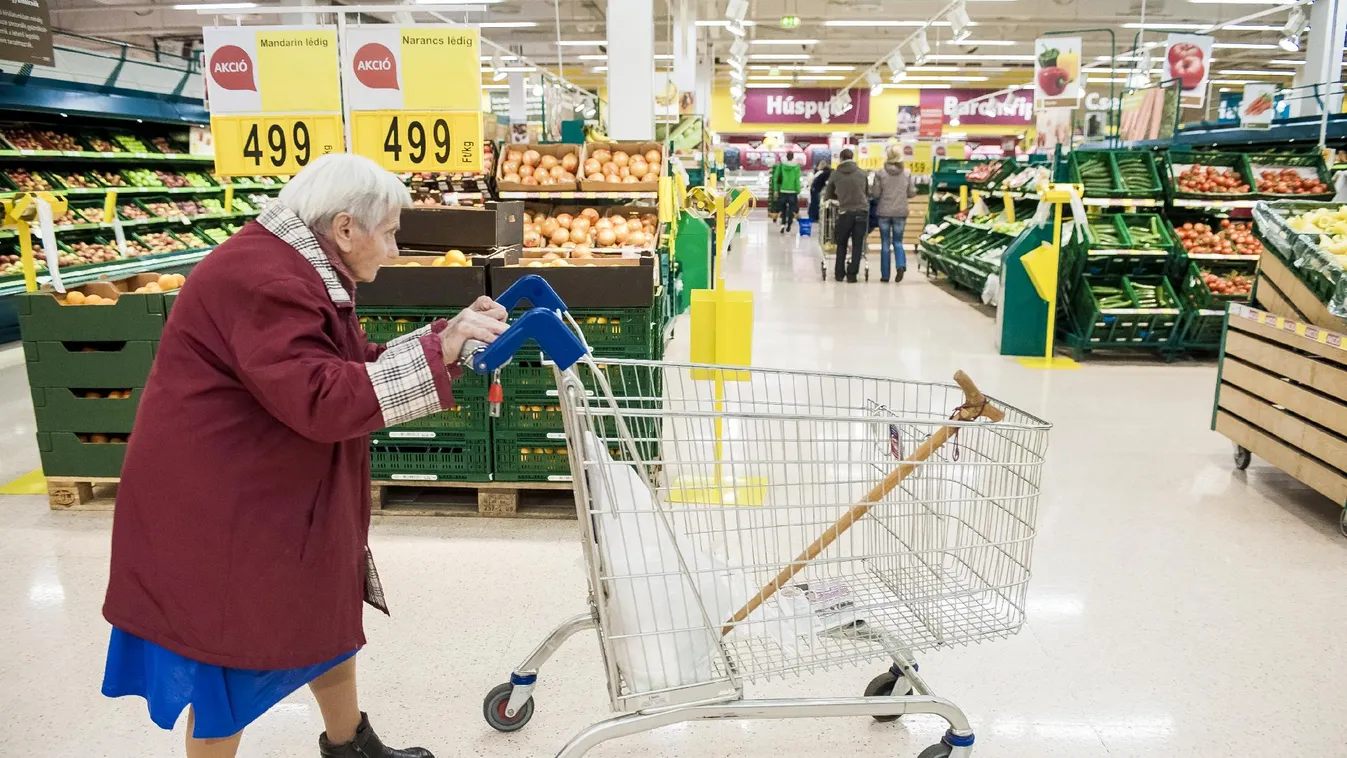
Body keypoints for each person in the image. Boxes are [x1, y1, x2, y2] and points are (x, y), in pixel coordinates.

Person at [100, 153, 510, 758]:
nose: (395, 250)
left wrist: (441, 340)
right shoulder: (267, 281)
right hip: (224, 508)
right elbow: (319, 396)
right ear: (345, 228)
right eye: (391, 232)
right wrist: (437, 354)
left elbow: (342, 361)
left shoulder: (292, 264)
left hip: (267, 485)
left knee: (325, 618)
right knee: (231, 660)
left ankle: (349, 744)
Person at [821, 147, 870, 282]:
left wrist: (836, 197)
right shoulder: (862, 173)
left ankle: (839, 274)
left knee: (841, 243)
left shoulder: (835, 174)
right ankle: (852, 274)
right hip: (861, 211)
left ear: (841, 159)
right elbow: (867, 193)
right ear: (852, 158)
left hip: (844, 212)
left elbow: (829, 194)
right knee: (857, 243)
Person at [871, 144, 918, 282]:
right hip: (900, 212)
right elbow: (911, 193)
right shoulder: (907, 173)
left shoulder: (880, 173)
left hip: (884, 212)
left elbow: (875, 193)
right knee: (898, 241)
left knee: (885, 243)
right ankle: (901, 265)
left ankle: (885, 275)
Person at [772, 151, 802, 233]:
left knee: (783, 209)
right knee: (791, 209)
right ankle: (789, 225)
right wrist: (798, 190)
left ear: (786, 157)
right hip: (793, 191)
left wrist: (775, 190)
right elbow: (797, 180)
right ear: (793, 157)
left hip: (783, 190)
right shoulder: (796, 166)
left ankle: (783, 224)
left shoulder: (781, 165)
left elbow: (776, 178)